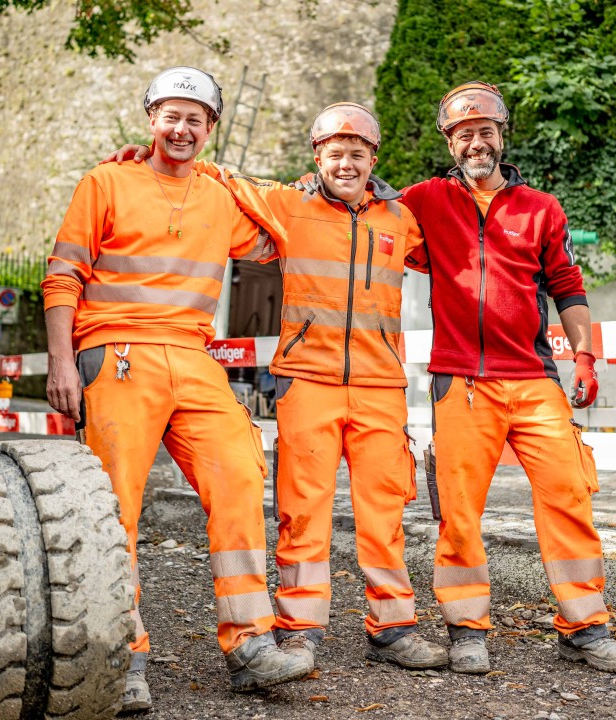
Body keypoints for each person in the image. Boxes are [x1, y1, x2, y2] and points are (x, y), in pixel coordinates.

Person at [108, 103, 448, 673]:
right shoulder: (288, 204)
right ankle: (301, 629)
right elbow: (215, 174)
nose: (346, 164)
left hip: (380, 384)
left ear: (374, 160)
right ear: (317, 157)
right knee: (302, 511)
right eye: (334, 154)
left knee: (384, 510)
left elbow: (452, 250)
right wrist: (147, 156)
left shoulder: (401, 219)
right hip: (306, 382)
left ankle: (394, 628)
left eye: (357, 155)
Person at [41, 66, 311, 710]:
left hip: (193, 357)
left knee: (241, 476)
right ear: (150, 119)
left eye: (195, 118)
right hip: (118, 356)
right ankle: (122, 655)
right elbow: (62, 278)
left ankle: (249, 642)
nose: (181, 128)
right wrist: (60, 363)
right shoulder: (105, 181)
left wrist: (230, 181)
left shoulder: (219, 197)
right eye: (170, 115)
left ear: (211, 128)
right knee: (116, 509)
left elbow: (280, 238)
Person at [397, 81, 616, 675]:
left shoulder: (541, 207)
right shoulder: (422, 201)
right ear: (449, 143)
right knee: (459, 511)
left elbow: (567, 286)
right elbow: (356, 206)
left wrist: (584, 356)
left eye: (485, 131)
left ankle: (585, 627)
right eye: (463, 134)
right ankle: (466, 629)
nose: (475, 142)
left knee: (569, 498)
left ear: (502, 136)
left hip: (535, 380)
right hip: (462, 382)